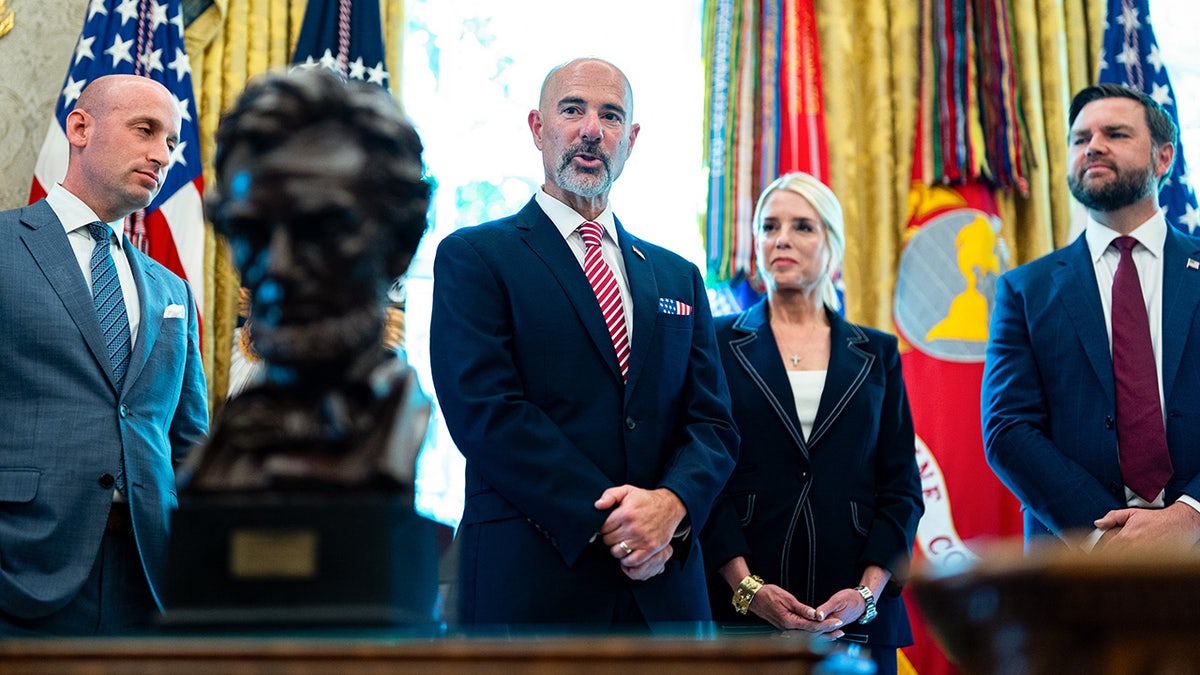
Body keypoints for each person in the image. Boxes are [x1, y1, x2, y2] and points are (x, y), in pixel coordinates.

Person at [429, 57, 738, 631]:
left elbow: (713, 426)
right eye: (573, 110)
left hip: (666, 594)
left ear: (631, 140)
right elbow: (485, 413)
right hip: (534, 586)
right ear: (537, 128)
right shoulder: (475, 257)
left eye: (610, 115)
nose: (591, 128)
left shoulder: (678, 276)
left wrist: (670, 508)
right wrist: (615, 520)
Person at [0, 74, 208, 634]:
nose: (161, 154)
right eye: (145, 129)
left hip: (150, 579)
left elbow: (189, 444)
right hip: (19, 567)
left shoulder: (172, 289)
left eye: (170, 141)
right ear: (80, 127)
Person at [700, 172, 923, 675]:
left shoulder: (878, 352)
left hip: (858, 614)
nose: (781, 238)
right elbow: (703, 476)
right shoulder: (712, 341)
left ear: (833, 246)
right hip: (740, 611)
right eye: (769, 226)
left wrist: (867, 593)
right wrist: (746, 589)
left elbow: (901, 488)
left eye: (802, 226)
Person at [189, 67, 432, 492]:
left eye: (320, 231)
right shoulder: (216, 457)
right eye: (253, 233)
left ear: (400, 245)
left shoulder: (396, 427)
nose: (279, 267)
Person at [983, 83, 1200, 553]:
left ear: (1164, 158)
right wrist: (1104, 537)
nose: (1093, 146)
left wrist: (1189, 515)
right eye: (1080, 139)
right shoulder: (1024, 289)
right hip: (1075, 565)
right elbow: (1007, 428)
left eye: (1116, 134)